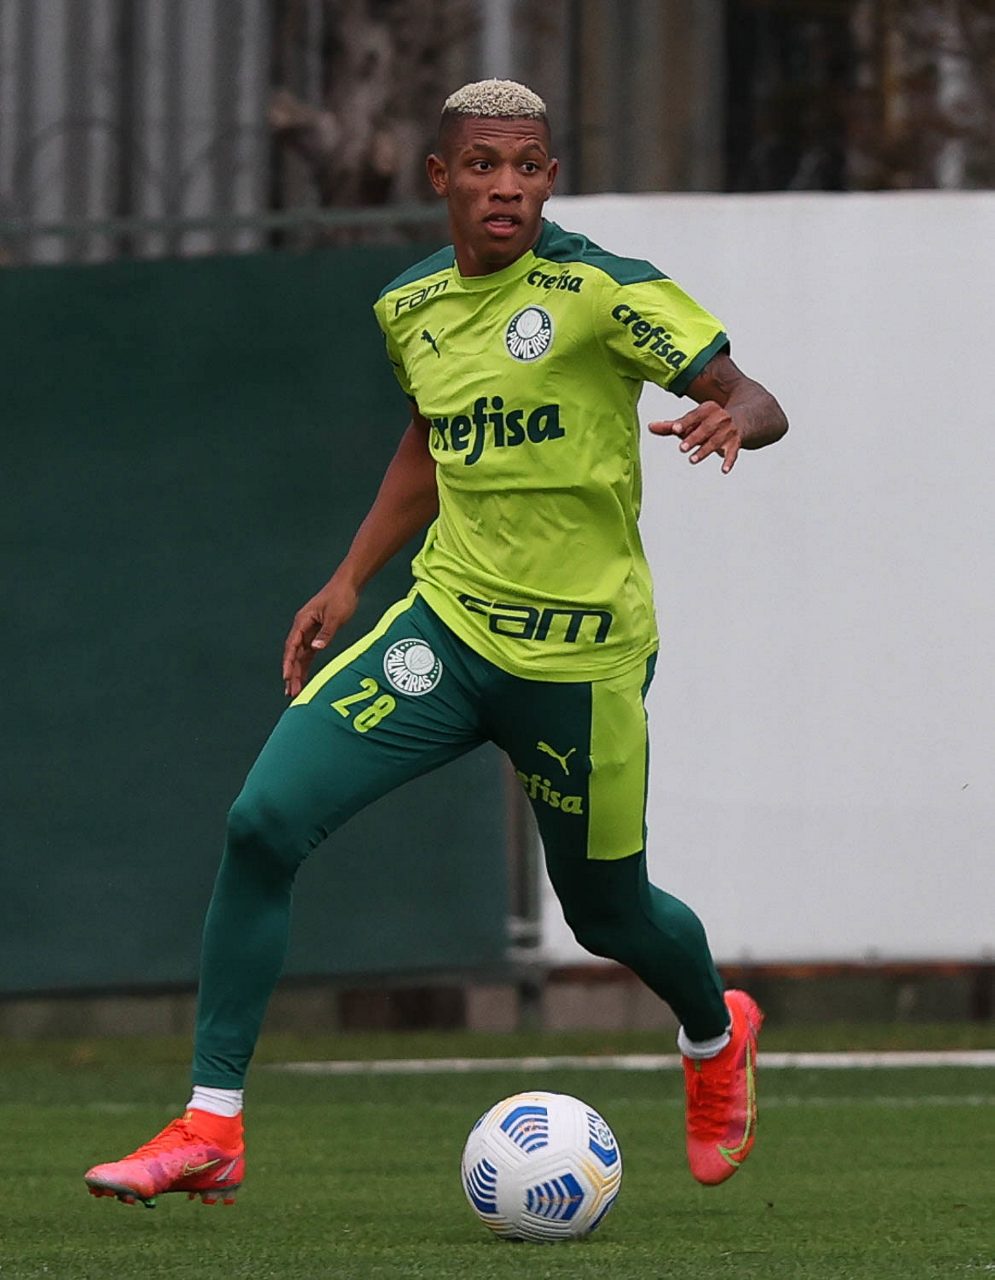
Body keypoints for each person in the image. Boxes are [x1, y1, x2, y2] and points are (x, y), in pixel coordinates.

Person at [85, 79, 787, 1208]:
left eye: (525, 166)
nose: (504, 185)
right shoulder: (408, 304)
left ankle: (714, 1035)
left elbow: (755, 395)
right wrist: (349, 577)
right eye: (481, 165)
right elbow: (430, 438)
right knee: (262, 823)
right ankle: (211, 1123)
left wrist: (730, 416)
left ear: (549, 179)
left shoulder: (604, 290)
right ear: (440, 177)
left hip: (578, 661)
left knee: (605, 914)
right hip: (445, 634)